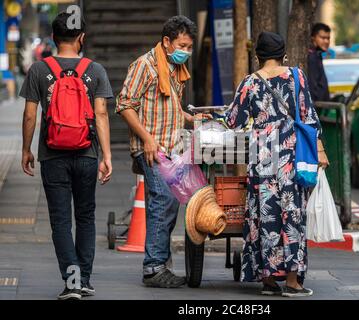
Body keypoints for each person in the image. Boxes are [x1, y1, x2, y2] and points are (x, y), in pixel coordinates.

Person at [224, 31, 329, 297]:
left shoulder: (249, 82)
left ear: (257, 56)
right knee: (292, 215)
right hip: (291, 157)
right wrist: (320, 150)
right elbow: (309, 117)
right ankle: (293, 282)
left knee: (264, 214)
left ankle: (268, 282)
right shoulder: (297, 76)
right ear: (283, 54)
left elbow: (233, 121)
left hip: (262, 158)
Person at [20, 12, 113, 300]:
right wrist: (106, 155)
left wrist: (26, 149)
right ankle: (83, 280)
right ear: (81, 38)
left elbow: (30, 115)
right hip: (86, 154)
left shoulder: (38, 69)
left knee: (60, 220)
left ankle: (71, 282)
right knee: (85, 217)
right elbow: (100, 114)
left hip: (52, 155)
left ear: (54, 37)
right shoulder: (94, 69)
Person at [116, 15, 210, 288]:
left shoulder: (173, 69)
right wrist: (146, 139)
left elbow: (173, 108)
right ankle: (153, 267)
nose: (187, 52)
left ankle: (160, 263)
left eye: (190, 47)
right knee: (163, 200)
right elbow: (125, 105)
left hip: (171, 148)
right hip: (151, 147)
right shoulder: (144, 66)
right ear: (166, 42)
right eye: (183, 45)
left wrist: (194, 119)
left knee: (170, 203)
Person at [307, 23, 331, 103]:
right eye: (323, 38)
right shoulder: (312, 57)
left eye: (328, 38)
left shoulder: (317, 55)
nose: (326, 41)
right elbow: (313, 86)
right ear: (313, 38)